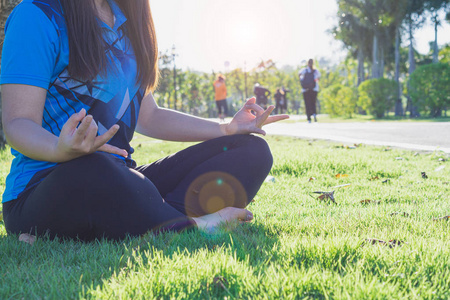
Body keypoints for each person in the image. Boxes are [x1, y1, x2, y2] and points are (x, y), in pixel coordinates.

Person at [0, 0, 289, 241]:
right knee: (94, 168)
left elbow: (149, 116)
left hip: (122, 178)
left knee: (250, 150)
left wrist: (226, 129)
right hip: (44, 188)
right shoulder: (37, 14)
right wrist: (61, 150)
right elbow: (18, 123)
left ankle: (156, 220)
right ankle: (190, 227)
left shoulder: (127, 19)